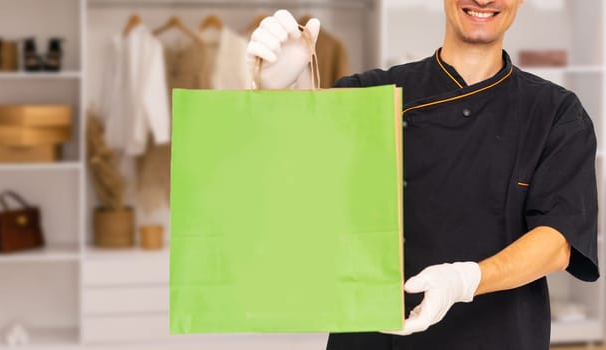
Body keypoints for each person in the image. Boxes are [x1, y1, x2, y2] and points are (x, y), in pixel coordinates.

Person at [246, 1, 599, 349]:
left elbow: (557, 242)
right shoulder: (369, 94)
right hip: (374, 337)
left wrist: (464, 280)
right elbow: (290, 171)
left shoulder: (555, 112)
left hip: (499, 336)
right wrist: (276, 95)